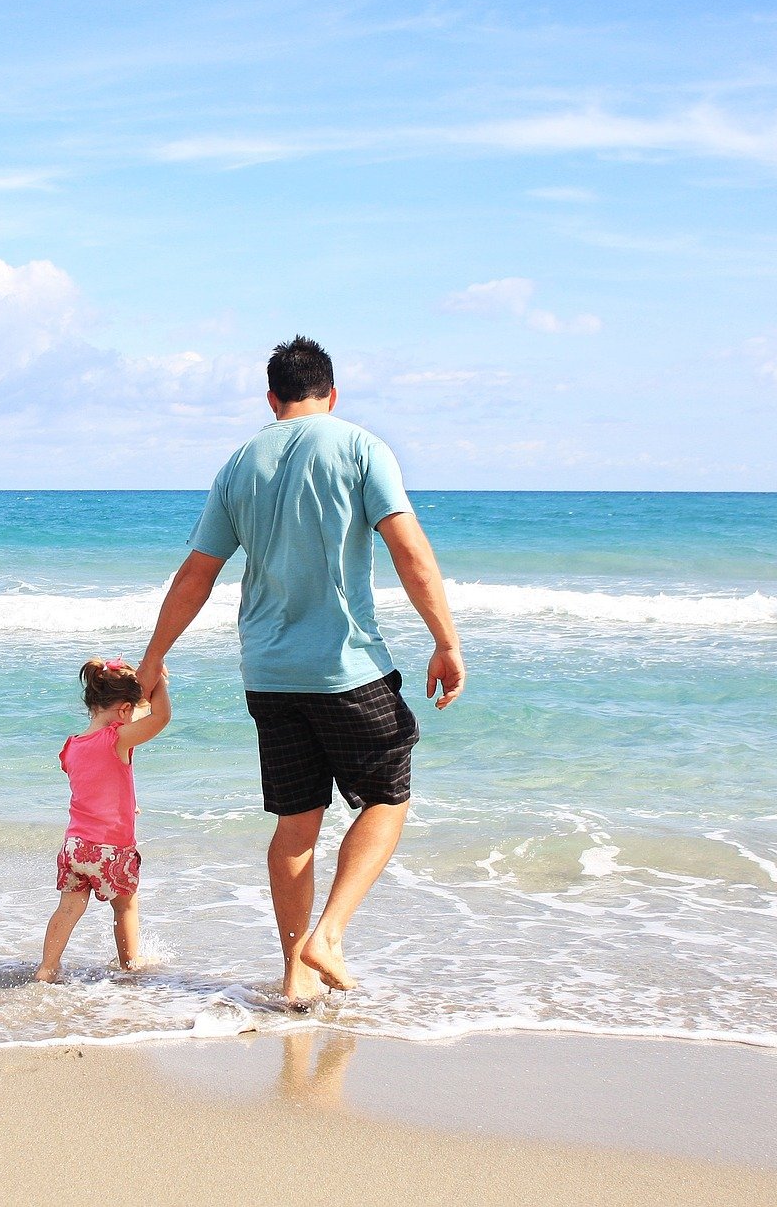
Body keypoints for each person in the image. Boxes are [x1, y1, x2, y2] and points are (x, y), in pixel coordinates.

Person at [134, 335, 463, 1006]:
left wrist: (154, 655)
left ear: (272, 398)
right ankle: (329, 936)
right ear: (331, 394)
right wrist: (446, 641)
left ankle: (295, 975)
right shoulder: (361, 447)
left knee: (295, 823)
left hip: (268, 674)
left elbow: (199, 573)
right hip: (345, 668)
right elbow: (409, 551)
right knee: (388, 796)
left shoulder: (239, 464)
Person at [35, 657, 171, 983]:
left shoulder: (71, 747)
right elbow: (161, 717)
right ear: (124, 711)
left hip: (75, 848)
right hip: (112, 850)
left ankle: (47, 968)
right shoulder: (117, 739)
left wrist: (127, 803)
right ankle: (129, 967)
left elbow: (96, 784)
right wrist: (160, 681)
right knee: (124, 908)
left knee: (68, 909)